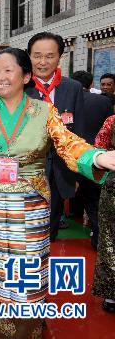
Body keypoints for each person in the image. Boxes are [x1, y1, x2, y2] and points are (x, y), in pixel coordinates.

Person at [0, 48, 115, 338]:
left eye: (7, 70)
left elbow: (68, 143)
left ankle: (24, 326)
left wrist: (97, 158)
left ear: (26, 76)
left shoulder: (44, 111)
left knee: (25, 267)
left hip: (30, 207)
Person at [25, 32, 85, 241]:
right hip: (26, 170)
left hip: (61, 169)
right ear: (29, 57)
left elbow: (79, 132)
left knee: (51, 223)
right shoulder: (18, 87)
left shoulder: (73, 88)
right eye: (37, 56)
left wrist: (77, 174)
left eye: (49, 56)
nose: (43, 62)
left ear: (60, 57)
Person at [70, 70, 113, 248]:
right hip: (101, 157)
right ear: (91, 84)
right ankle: (99, 236)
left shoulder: (69, 102)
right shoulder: (105, 101)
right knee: (95, 197)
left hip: (76, 153)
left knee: (86, 196)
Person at [92, 114, 115, 313]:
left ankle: (111, 294)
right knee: (109, 239)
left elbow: (99, 145)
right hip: (113, 188)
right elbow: (98, 150)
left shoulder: (112, 120)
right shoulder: (111, 121)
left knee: (110, 240)